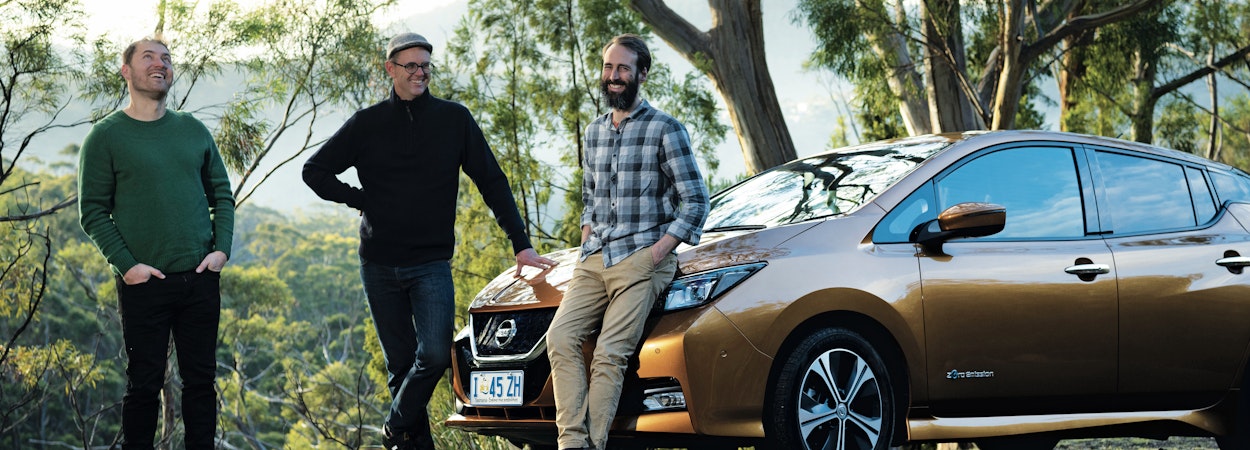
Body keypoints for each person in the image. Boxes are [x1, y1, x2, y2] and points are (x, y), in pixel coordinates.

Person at [301, 32, 557, 450]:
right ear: (391, 69)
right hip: (379, 263)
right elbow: (315, 170)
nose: (420, 73)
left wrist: (521, 243)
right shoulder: (367, 124)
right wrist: (360, 199)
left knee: (435, 355)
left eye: (425, 66)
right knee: (401, 365)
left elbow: (491, 181)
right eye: (411, 66)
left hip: (431, 263)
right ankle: (409, 441)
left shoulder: (453, 119)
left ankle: (393, 425)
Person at [546, 34, 710, 450]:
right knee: (560, 339)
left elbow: (695, 201)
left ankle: (590, 445)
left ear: (641, 73)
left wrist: (656, 253)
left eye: (622, 69)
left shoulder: (666, 129)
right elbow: (589, 196)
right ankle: (572, 443)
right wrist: (587, 237)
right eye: (608, 68)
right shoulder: (594, 132)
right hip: (595, 256)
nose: (614, 76)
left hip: (642, 258)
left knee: (609, 354)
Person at [78, 37, 234, 450]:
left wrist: (221, 250)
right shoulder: (106, 137)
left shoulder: (192, 130)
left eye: (166, 58)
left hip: (200, 278)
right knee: (144, 386)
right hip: (144, 283)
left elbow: (222, 194)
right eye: (148, 57)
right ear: (126, 71)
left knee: (201, 382)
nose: (160, 64)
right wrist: (128, 266)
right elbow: (92, 210)